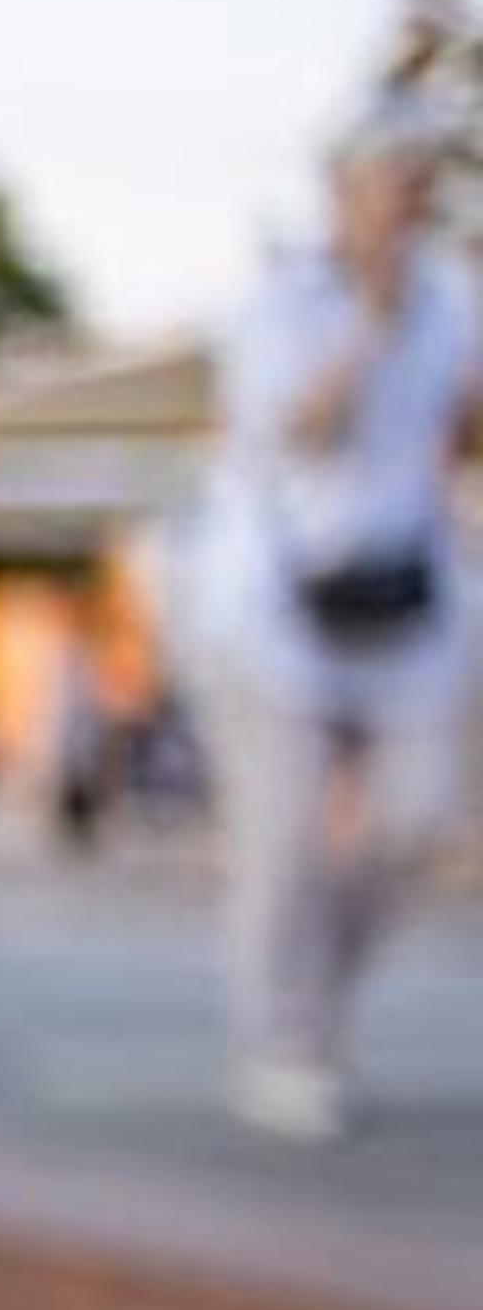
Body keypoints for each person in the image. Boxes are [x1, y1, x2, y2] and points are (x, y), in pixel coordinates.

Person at [188, 111, 481, 1141]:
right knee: (286, 836)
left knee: (418, 815)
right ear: (344, 190)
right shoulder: (282, 300)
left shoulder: (454, 301)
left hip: (409, 602)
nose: (411, 200)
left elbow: (464, 426)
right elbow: (299, 428)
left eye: (423, 183)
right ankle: (279, 1041)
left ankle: (318, 995)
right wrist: (371, 323)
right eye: (394, 181)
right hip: (279, 608)